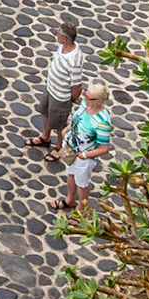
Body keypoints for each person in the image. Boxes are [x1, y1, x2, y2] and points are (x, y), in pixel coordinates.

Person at [25, 19, 86, 161]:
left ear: (64, 38)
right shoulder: (62, 47)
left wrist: (71, 98)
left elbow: (77, 85)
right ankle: (45, 137)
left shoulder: (74, 59)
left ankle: (59, 147)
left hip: (60, 96)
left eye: (58, 34)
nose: (56, 35)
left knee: (59, 124)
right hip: (51, 88)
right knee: (45, 113)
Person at [54, 83, 113, 213]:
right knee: (70, 174)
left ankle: (81, 209)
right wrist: (66, 131)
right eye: (85, 95)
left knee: (82, 184)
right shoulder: (85, 105)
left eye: (89, 98)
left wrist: (84, 155)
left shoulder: (102, 122)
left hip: (84, 157)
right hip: (70, 147)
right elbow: (77, 119)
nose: (84, 99)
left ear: (99, 102)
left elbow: (104, 148)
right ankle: (70, 200)